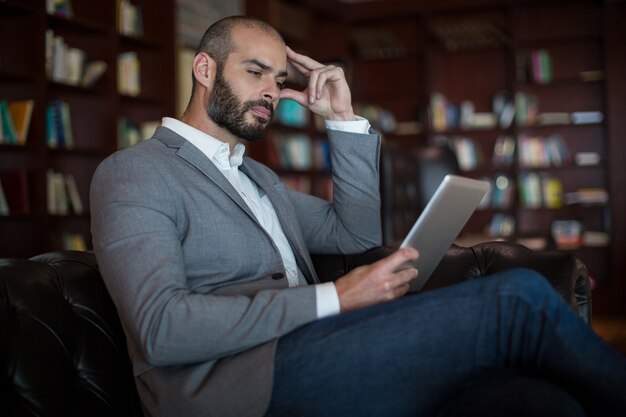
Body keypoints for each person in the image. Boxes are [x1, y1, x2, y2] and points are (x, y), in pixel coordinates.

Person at [90, 15, 626, 417]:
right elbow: (161, 328)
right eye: (256, 72)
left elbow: (356, 232)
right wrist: (338, 297)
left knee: (532, 400)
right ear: (204, 68)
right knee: (521, 297)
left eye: (278, 80)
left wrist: (343, 121)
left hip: (323, 348)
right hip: (240, 385)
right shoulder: (136, 172)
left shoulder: (257, 179)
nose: (271, 92)